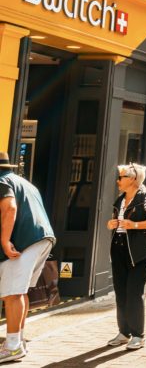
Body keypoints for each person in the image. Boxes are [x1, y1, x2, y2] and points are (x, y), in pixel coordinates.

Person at [0, 152, 54, 363]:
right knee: (18, 292)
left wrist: (4, 241)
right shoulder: (23, 182)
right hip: (42, 238)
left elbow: (10, 207)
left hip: (27, 240)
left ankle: (12, 346)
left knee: (12, 293)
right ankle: (17, 341)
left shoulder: (2, 181)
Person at [106, 162, 146, 352]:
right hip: (119, 247)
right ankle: (123, 333)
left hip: (139, 250)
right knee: (121, 291)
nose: (118, 180)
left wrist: (135, 225)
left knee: (134, 292)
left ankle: (138, 335)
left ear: (132, 179)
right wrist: (112, 224)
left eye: (121, 177)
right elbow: (119, 223)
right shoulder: (120, 199)